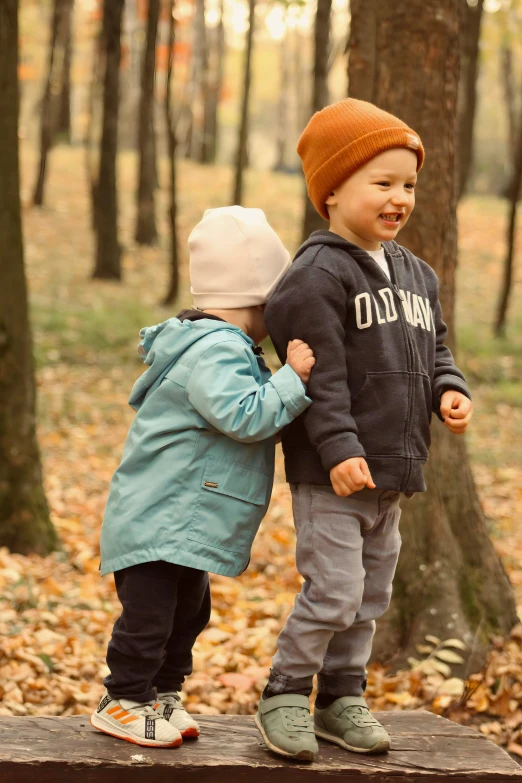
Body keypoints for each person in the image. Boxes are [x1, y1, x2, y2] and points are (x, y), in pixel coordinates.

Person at [255, 98, 473, 762]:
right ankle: (285, 691)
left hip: (390, 474)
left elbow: (434, 348)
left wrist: (450, 388)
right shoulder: (315, 277)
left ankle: (341, 696)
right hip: (332, 475)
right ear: (332, 190)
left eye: (407, 184)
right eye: (381, 182)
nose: (399, 197)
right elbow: (319, 378)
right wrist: (340, 448)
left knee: (370, 596)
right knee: (335, 590)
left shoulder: (416, 274)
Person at [90, 206, 315, 748]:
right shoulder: (217, 349)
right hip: (160, 514)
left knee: (189, 611)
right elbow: (243, 416)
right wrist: (292, 379)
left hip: (179, 517)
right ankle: (123, 699)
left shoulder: (223, 346)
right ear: (258, 298)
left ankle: (162, 694)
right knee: (149, 618)